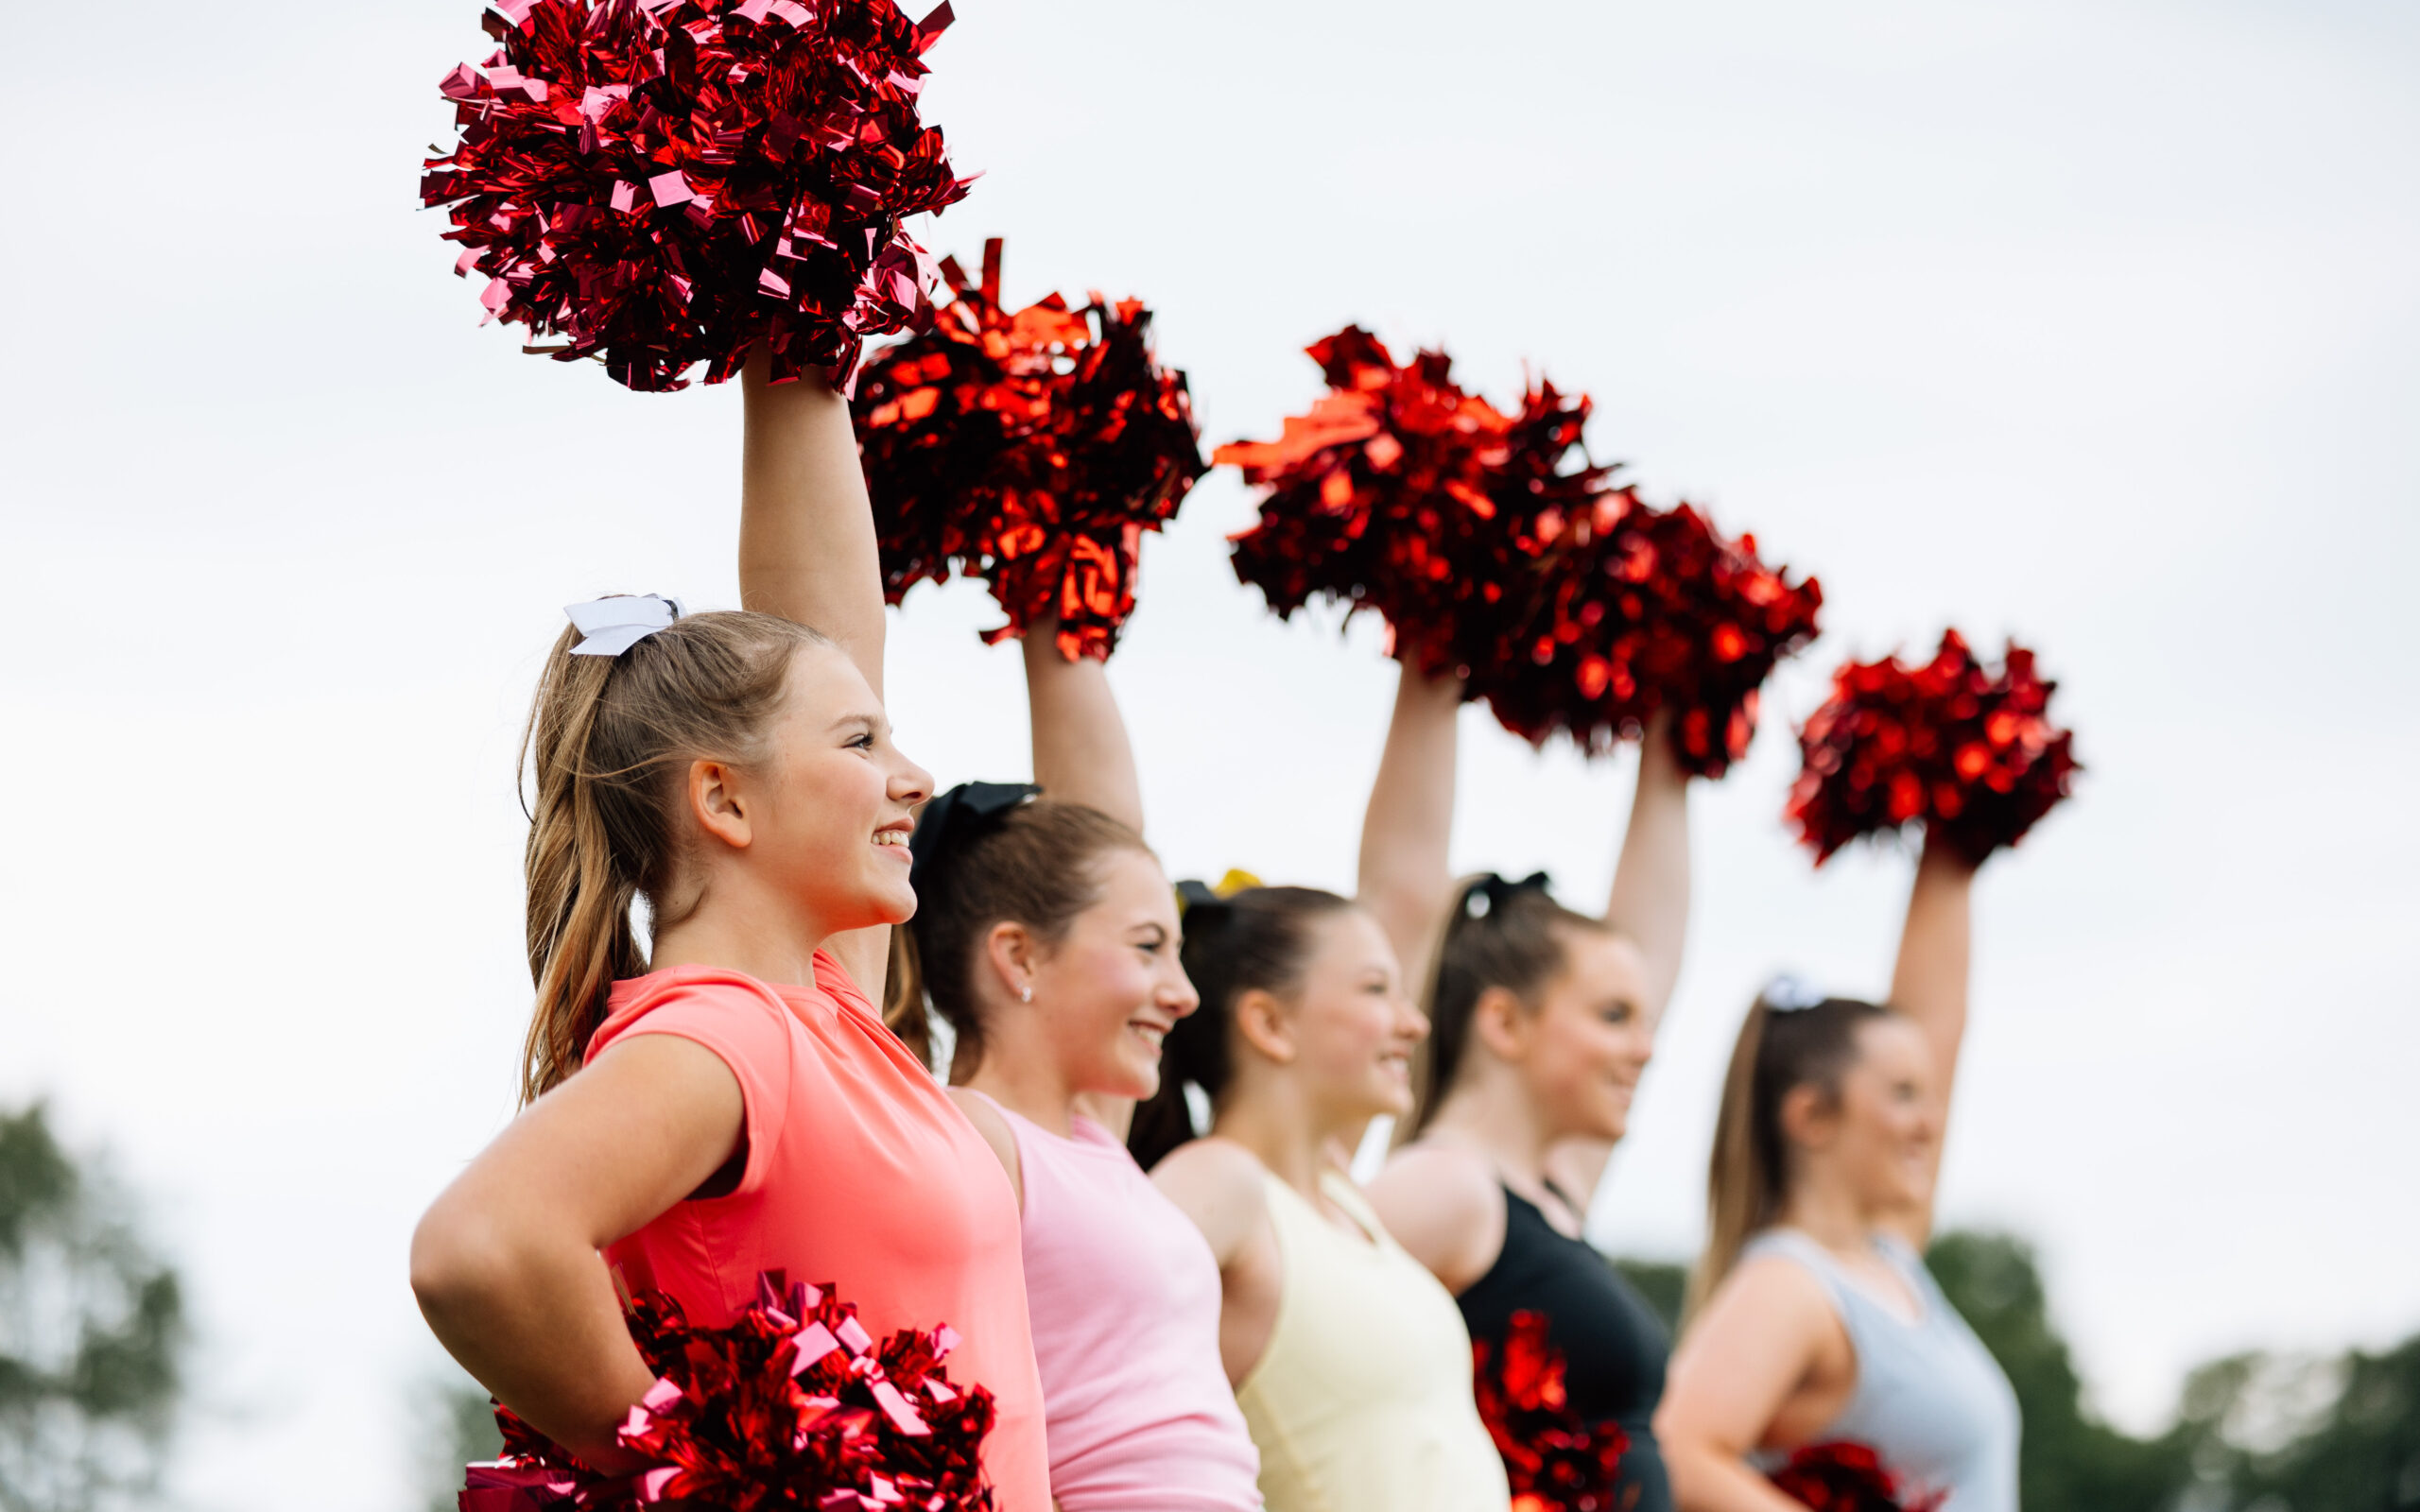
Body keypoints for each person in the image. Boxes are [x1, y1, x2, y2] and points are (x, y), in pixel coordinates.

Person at [407, 359, 1051, 1510]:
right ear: (726, 800)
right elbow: (480, 1245)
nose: (913, 779)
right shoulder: (723, 1039)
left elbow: (834, 619)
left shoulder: (826, 1009)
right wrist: (696, 1473)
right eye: (860, 744)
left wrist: (793, 339)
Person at [852, 608, 1261, 1510]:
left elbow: (1111, 822)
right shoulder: (974, 1138)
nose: (1184, 993)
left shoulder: (1092, 1137)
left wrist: (1054, 592)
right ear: (1021, 957)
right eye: (1149, 948)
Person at [1129, 685, 1512, 1512]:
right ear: (1268, 1022)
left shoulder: (1343, 1198)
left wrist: (1435, 671)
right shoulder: (1212, 1185)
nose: (1411, 1023)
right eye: (1377, 989)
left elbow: (1410, 892)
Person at [1356, 667, 1694, 1512]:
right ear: (1503, 1025)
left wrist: (1672, 740)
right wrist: (1433, 662)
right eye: (1613, 1016)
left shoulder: (1549, 1191)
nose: (1644, 1050)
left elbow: (1654, 946)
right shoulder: (1446, 1187)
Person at [1653, 836, 2019, 1511]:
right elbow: (1679, 1450)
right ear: (1813, 1118)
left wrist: (1954, 834)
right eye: (1903, 1095)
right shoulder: (1788, 1286)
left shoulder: (1884, 1258)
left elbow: (1941, 1020)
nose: (1929, 1123)